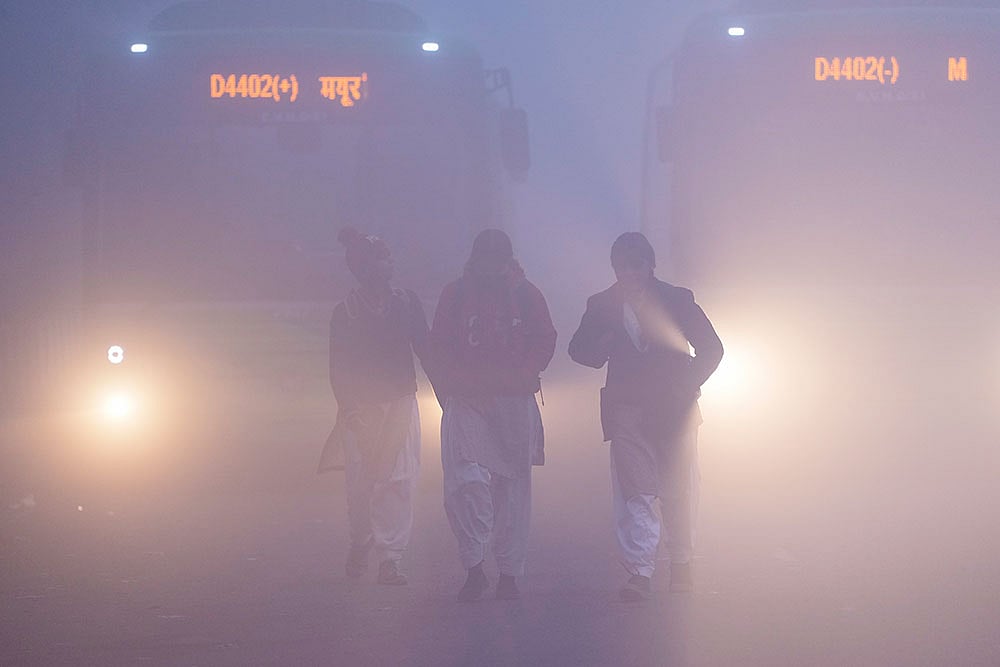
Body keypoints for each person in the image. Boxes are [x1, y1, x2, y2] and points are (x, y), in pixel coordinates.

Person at [568, 231, 723, 600]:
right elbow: (578, 350)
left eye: (635, 265)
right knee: (634, 491)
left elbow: (713, 349)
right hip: (626, 409)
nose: (629, 273)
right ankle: (640, 570)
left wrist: (686, 385)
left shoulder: (677, 300)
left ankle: (681, 561)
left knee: (677, 488)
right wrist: (602, 346)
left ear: (649, 265)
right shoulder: (602, 304)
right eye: (622, 266)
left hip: (674, 408)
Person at [429, 229, 557, 601]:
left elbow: (545, 339)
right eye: (483, 259)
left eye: (496, 259)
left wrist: (522, 376)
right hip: (467, 399)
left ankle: (509, 572)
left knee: (513, 489)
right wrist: (456, 384)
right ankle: (473, 562)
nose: (489, 267)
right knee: (464, 482)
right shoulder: (455, 295)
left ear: (506, 260)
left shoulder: (526, 295)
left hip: (513, 401)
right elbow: (439, 344)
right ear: (474, 259)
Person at [322, 227, 429, 586]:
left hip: (400, 401)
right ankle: (361, 539)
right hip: (361, 409)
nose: (390, 263)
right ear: (363, 268)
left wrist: (450, 388)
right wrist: (350, 409)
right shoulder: (346, 313)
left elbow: (426, 348)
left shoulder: (406, 303)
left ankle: (391, 559)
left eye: (389, 257)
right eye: (383, 258)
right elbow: (338, 367)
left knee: (397, 480)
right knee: (360, 484)